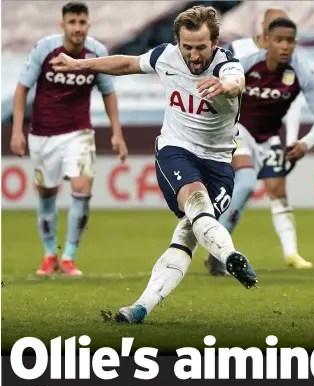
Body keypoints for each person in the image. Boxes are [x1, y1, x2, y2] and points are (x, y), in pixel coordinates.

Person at [50, 5, 258, 323]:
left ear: (214, 43)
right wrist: (81, 64)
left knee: (189, 232)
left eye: (201, 47)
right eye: (187, 47)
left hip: (218, 164)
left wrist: (224, 86)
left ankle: (140, 308)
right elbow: (127, 63)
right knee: (196, 200)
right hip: (176, 151)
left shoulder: (227, 65)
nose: (194, 55)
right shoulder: (167, 56)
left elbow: (236, 82)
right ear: (178, 43)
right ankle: (231, 257)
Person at [206, 16, 314, 275]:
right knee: (248, 183)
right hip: (237, 129)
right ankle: (218, 250)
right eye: (279, 40)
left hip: (269, 137)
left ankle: (291, 253)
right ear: (267, 41)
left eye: (290, 41)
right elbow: (217, 92)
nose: (285, 46)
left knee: (278, 190)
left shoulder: (301, 70)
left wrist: (306, 143)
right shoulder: (248, 65)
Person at [10, 1, 128, 277]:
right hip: (43, 133)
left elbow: (108, 92)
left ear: (89, 24)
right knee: (47, 193)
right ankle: (50, 254)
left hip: (79, 132)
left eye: (82, 22)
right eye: (72, 22)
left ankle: (69, 257)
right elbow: (22, 89)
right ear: (62, 25)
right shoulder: (44, 48)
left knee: (83, 188)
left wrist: (117, 134)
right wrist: (17, 130)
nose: (77, 28)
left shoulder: (96, 53)